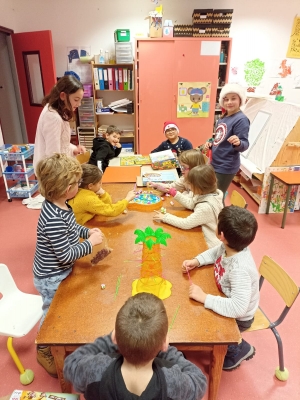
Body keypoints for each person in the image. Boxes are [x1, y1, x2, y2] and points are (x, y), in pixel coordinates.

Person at [33, 154, 103, 377]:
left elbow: (72, 228)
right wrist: (90, 244)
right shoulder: (53, 217)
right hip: (51, 276)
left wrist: (86, 232)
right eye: (77, 183)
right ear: (66, 188)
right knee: (52, 312)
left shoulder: (62, 204)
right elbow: (65, 255)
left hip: (60, 270)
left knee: (65, 307)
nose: (80, 185)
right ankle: (43, 347)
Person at [63, 292, 207, 400]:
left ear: (115, 338)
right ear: (164, 344)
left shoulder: (95, 369)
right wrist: (166, 349)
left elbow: (70, 364)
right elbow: (199, 382)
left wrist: (108, 340)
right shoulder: (173, 382)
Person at [182, 206, 259, 371]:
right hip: (225, 296)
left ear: (221, 235)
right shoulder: (229, 246)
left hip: (239, 317)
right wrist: (197, 261)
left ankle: (238, 349)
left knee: (207, 325)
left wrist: (205, 298)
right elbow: (215, 253)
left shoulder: (240, 269)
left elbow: (238, 308)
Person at [153, 164, 223, 248]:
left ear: (199, 187)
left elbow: (185, 223)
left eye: (191, 184)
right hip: (201, 231)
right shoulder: (207, 193)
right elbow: (191, 203)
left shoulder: (205, 207)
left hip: (208, 243)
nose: (189, 186)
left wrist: (165, 217)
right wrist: (175, 193)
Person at [203, 83, 250, 202]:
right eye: (226, 99)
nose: (229, 102)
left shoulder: (241, 119)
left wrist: (238, 142)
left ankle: (221, 219)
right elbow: (220, 139)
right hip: (215, 162)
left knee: (216, 198)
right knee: (213, 194)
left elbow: (244, 144)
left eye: (233, 98)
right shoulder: (224, 118)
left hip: (226, 165)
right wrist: (211, 143)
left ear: (241, 100)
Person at [33, 75, 86, 171]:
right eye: (76, 100)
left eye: (80, 100)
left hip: (59, 169)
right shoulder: (53, 117)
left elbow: (61, 143)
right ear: (62, 96)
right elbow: (53, 156)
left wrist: (74, 149)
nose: (79, 104)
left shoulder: (60, 111)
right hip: (53, 173)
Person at [68, 164, 136, 225]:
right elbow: (111, 211)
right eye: (99, 183)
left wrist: (103, 194)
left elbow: (106, 204)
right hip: (78, 232)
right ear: (90, 186)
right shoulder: (88, 198)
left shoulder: (82, 191)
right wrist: (127, 199)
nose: (101, 184)